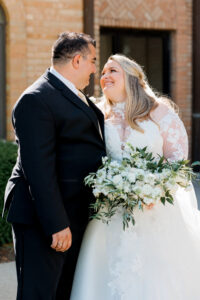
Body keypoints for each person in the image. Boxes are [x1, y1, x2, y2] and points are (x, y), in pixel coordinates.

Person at [70, 54, 200, 300]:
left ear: (132, 77)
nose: (104, 76)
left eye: (112, 71)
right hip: (111, 212)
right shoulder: (97, 114)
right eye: (103, 72)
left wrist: (155, 190)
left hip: (155, 211)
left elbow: (178, 161)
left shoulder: (159, 111)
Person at [3, 32, 106, 300]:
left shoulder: (73, 94)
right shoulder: (36, 98)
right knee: (39, 294)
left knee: (62, 292)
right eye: (93, 61)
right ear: (76, 60)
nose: (96, 69)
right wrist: (56, 223)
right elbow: (37, 168)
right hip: (44, 219)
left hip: (71, 213)